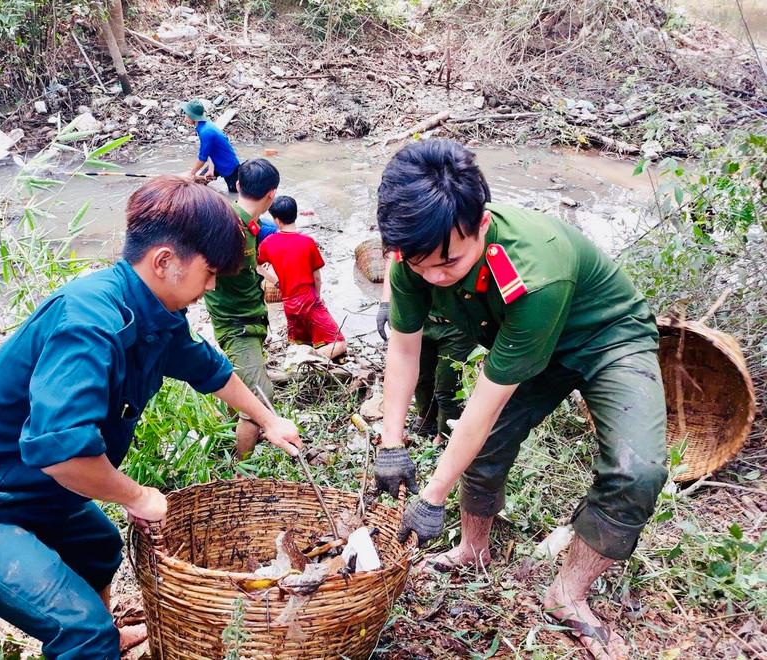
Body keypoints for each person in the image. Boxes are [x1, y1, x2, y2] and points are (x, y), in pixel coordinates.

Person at [0, 176, 303, 660]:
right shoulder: (89, 323)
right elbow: (65, 456)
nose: (212, 286)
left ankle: (105, 638)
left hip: (32, 490)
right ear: (164, 262)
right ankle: (93, 642)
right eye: (210, 272)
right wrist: (138, 495)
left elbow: (210, 371)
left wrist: (270, 420)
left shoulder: (157, 311)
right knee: (81, 633)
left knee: (97, 543)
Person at [374, 140, 666, 660]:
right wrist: (390, 442)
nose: (436, 276)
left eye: (450, 263)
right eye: (422, 266)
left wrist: (432, 496)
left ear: (482, 225)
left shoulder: (534, 275)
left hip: (605, 338)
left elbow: (485, 404)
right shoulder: (414, 257)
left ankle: (567, 594)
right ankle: (472, 548)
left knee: (636, 470)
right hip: (523, 339)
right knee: (485, 446)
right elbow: (403, 349)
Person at [204, 159, 282, 458]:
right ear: (272, 194)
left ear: (237, 185)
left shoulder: (247, 225)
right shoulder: (229, 226)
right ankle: (241, 469)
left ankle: (227, 432)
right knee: (260, 400)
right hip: (236, 323)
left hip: (249, 317)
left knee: (239, 380)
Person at [377, 255, 474, 439]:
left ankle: (444, 435)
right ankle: (426, 416)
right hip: (423, 319)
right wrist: (386, 302)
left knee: (448, 388)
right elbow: (395, 257)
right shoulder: (409, 247)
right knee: (421, 377)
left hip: (457, 326)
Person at [258, 195, 347, 360]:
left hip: (289, 304)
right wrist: (318, 297)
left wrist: (275, 281)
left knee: (300, 342)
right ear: (296, 214)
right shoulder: (307, 242)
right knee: (339, 344)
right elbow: (317, 277)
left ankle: (300, 356)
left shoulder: (269, 243)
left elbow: (256, 266)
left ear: (276, 220)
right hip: (309, 301)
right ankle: (308, 360)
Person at [183, 99, 241, 193]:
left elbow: (202, 158)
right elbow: (211, 150)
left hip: (230, 168)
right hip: (217, 163)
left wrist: (192, 173)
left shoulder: (205, 132)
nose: (185, 117)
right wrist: (211, 169)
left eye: (186, 114)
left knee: (234, 195)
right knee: (197, 184)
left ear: (192, 116)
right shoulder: (205, 125)